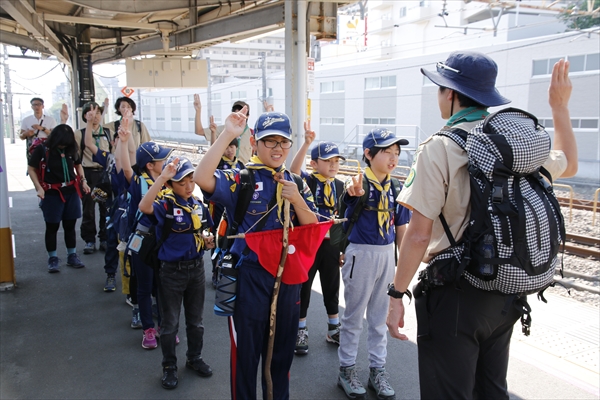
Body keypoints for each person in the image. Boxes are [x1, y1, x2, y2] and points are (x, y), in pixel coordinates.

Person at [386, 53, 577, 400]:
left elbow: (418, 234)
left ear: (452, 94)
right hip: (506, 290)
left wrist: (397, 294)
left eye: (440, 88)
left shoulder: (439, 147)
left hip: (455, 295)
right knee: (491, 390)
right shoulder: (512, 145)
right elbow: (570, 163)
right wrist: (559, 107)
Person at [195, 109, 318, 400]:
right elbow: (202, 177)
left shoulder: (297, 182)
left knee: (281, 356)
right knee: (246, 357)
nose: (277, 149)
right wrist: (227, 134)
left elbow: (313, 227)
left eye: (283, 142)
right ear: (254, 141)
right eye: (269, 141)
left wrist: (297, 198)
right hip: (249, 277)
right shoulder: (242, 178)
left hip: (287, 279)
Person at [336, 128, 411, 400]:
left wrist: (403, 266)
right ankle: (346, 369)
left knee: (379, 318)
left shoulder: (397, 187)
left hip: (386, 256)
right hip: (361, 254)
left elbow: (402, 227)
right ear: (368, 154)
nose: (393, 158)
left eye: (396, 153)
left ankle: (377, 369)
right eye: (386, 152)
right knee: (354, 317)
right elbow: (349, 193)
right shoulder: (358, 183)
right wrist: (350, 190)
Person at [138, 155, 215, 390]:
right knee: (170, 324)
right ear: (172, 185)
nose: (189, 186)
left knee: (196, 322)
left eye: (191, 181)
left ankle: (194, 358)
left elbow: (204, 230)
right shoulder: (166, 204)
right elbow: (144, 206)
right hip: (171, 272)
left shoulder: (198, 205)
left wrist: (208, 241)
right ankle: (169, 366)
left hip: (196, 269)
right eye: (182, 183)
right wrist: (163, 177)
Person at [289, 121, 344, 355]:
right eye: (328, 161)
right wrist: (306, 143)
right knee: (305, 286)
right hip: (309, 244)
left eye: (336, 161)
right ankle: (300, 328)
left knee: (332, 286)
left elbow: (342, 218)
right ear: (314, 164)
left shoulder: (341, 185)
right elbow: (292, 171)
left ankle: (333, 327)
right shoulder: (307, 181)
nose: (333, 165)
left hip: (331, 244)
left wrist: (342, 248)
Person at [119, 135, 173, 344]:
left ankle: (164, 326)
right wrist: (124, 142)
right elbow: (125, 168)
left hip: (162, 242)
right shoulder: (138, 181)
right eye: (161, 160)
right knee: (144, 286)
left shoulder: (169, 183)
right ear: (150, 165)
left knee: (162, 286)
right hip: (142, 241)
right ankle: (148, 329)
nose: (165, 162)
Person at [27, 124, 90, 272]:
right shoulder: (42, 149)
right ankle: (53, 258)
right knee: (52, 226)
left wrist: (83, 181)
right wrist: (39, 187)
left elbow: (78, 165)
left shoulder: (70, 148)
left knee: (70, 226)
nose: (64, 146)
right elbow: (31, 168)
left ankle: (72, 255)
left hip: (70, 191)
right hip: (51, 193)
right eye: (61, 143)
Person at [81, 104, 127, 292]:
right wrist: (91, 123)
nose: (118, 142)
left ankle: (130, 280)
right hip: (111, 207)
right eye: (116, 139)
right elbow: (89, 144)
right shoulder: (107, 158)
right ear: (112, 143)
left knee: (128, 244)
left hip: (127, 210)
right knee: (111, 241)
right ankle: (110, 275)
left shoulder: (131, 161)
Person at [206, 136, 245, 287]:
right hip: (218, 208)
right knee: (218, 239)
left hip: (235, 211)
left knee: (232, 240)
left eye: (232, 147)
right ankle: (216, 272)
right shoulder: (217, 164)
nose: (229, 150)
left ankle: (228, 271)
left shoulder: (241, 165)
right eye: (226, 147)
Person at [74, 101, 112, 254]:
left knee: (105, 207)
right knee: (89, 209)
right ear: (84, 115)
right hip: (88, 174)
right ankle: (89, 240)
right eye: (90, 113)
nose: (94, 116)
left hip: (104, 174)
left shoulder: (107, 132)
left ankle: (104, 238)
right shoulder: (80, 133)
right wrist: (81, 179)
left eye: (97, 112)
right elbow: (76, 157)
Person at [194, 96, 253, 163]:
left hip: (243, 171)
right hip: (225, 170)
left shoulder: (252, 134)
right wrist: (198, 111)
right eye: (237, 114)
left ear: (247, 116)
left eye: (242, 114)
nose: (239, 117)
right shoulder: (224, 130)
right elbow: (199, 131)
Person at [104, 96, 151, 166]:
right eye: (123, 107)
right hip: (119, 163)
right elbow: (98, 126)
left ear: (132, 109)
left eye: (129, 107)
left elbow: (146, 145)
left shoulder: (139, 125)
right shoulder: (113, 125)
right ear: (118, 109)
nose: (126, 109)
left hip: (136, 162)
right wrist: (104, 109)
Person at [20, 98, 68, 163]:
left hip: (47, 147)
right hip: (32, 148)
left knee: (47, 165)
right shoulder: (26, 120)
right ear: (31, 107)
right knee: (33, 165)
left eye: (39, 104)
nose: (36, 107)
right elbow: (21, 136)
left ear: (43, 106)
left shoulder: (50, 120)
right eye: (34, 105)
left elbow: (55, 136)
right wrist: (26, 134)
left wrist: (43, 129)